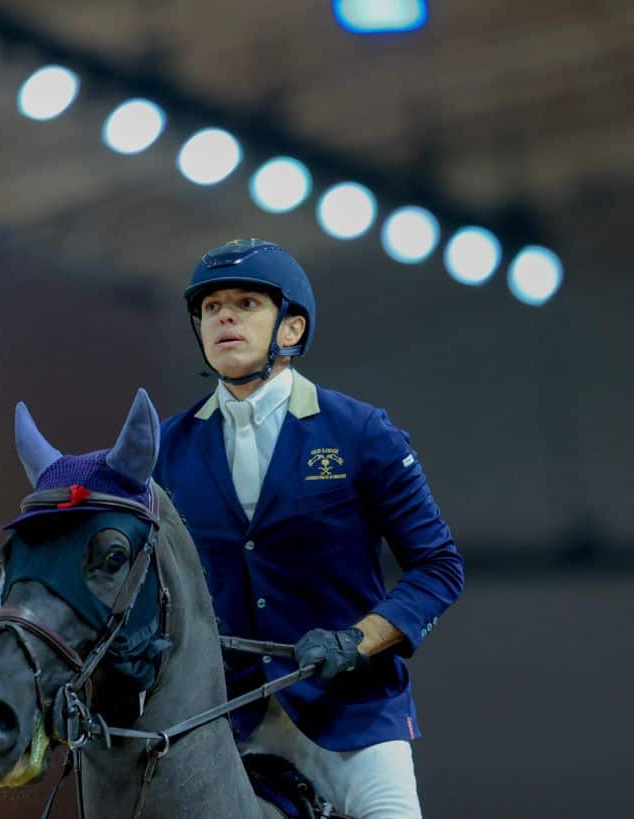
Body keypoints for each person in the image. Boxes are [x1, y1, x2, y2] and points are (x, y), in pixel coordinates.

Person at [153, 238, 465, 818]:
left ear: (292, 328)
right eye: (212, 307)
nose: (223, 317)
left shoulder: (361, 432)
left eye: (246, 303)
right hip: (226, 723)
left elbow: (439, 567)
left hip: (351, 716)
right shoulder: (166, 448)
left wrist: (357, 640)